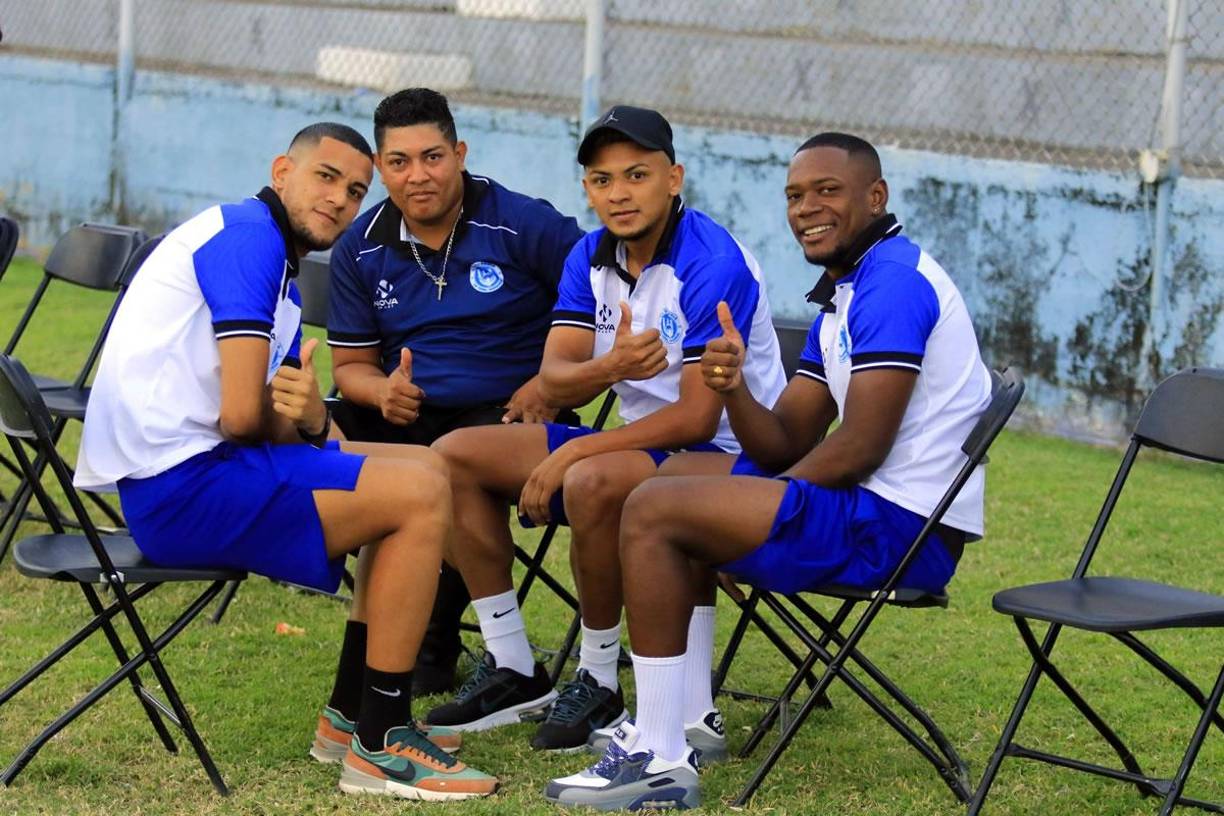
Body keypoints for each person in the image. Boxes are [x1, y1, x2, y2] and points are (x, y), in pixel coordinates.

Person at [544, 132, 993, 811]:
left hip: (902, 531)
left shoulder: (895, 284)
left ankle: (659, 754)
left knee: (656, 507)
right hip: (868, 509)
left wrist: (757, 504)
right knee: (674, 489)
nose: (806, 208)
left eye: (827, 192)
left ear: (876, 198)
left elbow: (860, 447)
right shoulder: (846, 290)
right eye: (794, 195)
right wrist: (731, 388)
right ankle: (688, 720)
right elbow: (785, 438)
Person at [73, 123, 498, 802]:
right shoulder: (251, 242)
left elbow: (293, 430)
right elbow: (244, 418)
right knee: (417, 492)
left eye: (356, 191)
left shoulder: (274, 264)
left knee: (423, 471)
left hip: (195, 474)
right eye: (325, 177)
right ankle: (381, 739)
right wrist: (300, 419)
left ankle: (351, 716)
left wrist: (312, 423)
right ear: (282, 170)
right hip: (180, 490)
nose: (339, 200)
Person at [426, 106, 787, 754]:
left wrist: (581, 444)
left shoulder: (712, 261)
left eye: (636, 175)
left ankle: (598, 677)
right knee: (451, 456)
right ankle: (513, 667)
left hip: (724, 455)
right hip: (642, 444)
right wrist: (613, 365)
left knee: (591, 479)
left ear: (673, 179)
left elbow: (698, 418)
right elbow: (554, 376)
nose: (618, 194)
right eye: (600, 179)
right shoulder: (588, 256)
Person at [323, 87, 585, 702]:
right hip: (407, 410)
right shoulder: (359, 247)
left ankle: (438, 647)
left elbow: (606, 301)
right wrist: (381, 392)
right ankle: (403, 642)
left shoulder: (523, 223)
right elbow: (351, 366)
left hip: (507, 411)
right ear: (382, 167)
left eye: (433, 157)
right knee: (320, 433)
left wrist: (550, 382)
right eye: (399, 162)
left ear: (460, 153)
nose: (418, 176)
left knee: (445, 457)